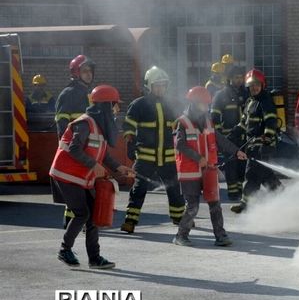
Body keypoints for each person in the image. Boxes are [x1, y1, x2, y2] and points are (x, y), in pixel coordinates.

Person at [49, 85, 134, 269]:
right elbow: (74, 149)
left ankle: (94, 258)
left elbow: (102, 155)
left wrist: (120, 167)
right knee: (83, 213)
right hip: (66, 175)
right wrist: (94, 166)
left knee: (92, 215)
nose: (117, 110)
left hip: (81, 177)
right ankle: (65, 250)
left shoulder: (99, 126)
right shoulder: (85, 123)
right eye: (115, 105)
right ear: (105, 106)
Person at [173, 86, 247, 247]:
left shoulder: (207, 122)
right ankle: (181, 236)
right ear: (194, 103)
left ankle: (220, 236)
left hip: (209, 170)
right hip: (189, 172)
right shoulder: (182, 123)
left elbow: (220, 140)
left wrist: (236, 152)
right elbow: (180, 145)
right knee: (192, 206)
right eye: (204, 104)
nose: (206, 108)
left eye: (207, 105)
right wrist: (197, 158)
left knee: (215, 203)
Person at [120, 66, 185, 234]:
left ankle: (179, 218)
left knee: (174, 188)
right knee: (139, 189)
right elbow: (128, 126)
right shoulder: (138, 105)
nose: (161, 88)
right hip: (146, 157)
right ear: (149, 85)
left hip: (168, 156)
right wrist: (129, 143)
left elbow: (181, 126)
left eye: (163, 85)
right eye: (157, 85)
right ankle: (130, 221)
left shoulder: (172, 105)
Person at [229, 69, 282, 214]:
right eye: (251, 85)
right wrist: (234, 132)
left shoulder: (265, 101)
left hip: (263, 146)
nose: (254, 87)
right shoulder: (249, 102)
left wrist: (267, 139)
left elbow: (271, 122)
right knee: (265, 175)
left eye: (257, 84)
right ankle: (281, 194)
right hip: (252, 145)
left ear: (262, 85)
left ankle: (245, 204)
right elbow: (244, 123)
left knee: (252, 175)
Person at [54, 55, 96, 229]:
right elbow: (62, 123)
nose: (88, 74)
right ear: (76, 73)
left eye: (90, 71)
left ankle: (76, 222)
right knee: (74, 186)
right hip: (75, 148)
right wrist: (68, 147)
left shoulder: (90, 94)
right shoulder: (68, 94)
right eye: (84, 71)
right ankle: (72, 223)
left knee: (82, 186)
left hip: (88, 148)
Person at [210, 65, 247, 200]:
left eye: (241, 78)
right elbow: (214, 118)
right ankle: (233, 193)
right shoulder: (221, 95)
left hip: (244, 137)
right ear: (230, 79)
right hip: (229, 138)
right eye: (236, 78)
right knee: (231, 167)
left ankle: (242, 192)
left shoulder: (246, 93)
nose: (239, 80)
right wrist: (220, 137)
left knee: (243, 166)